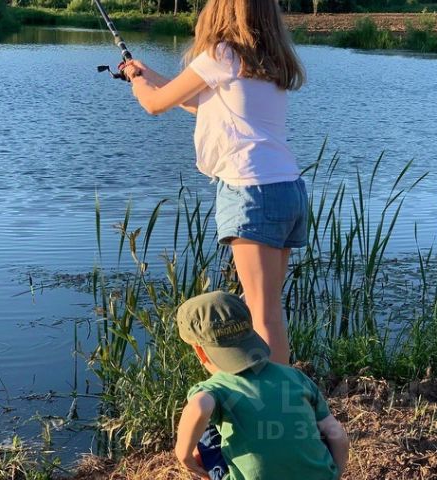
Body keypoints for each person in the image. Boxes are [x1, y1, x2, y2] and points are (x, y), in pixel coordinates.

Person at [123, 0, 308, 366]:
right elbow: (203, 103)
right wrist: (150, 74)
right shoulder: (267, 62)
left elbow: (155, 104)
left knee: (262, 315)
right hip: (288, 189)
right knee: (270, 310)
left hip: (252, 190)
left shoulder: (221, 53)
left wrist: (137, 82)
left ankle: (272, 396)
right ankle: (283, 389)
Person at [175, 291, 349, 480]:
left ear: (200, 352)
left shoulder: (215, 389)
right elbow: (338, 435)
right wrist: (335, 474)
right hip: (321, 475)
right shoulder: (295, 376)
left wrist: (184, 456)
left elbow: (200, 407)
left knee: (203, 427)